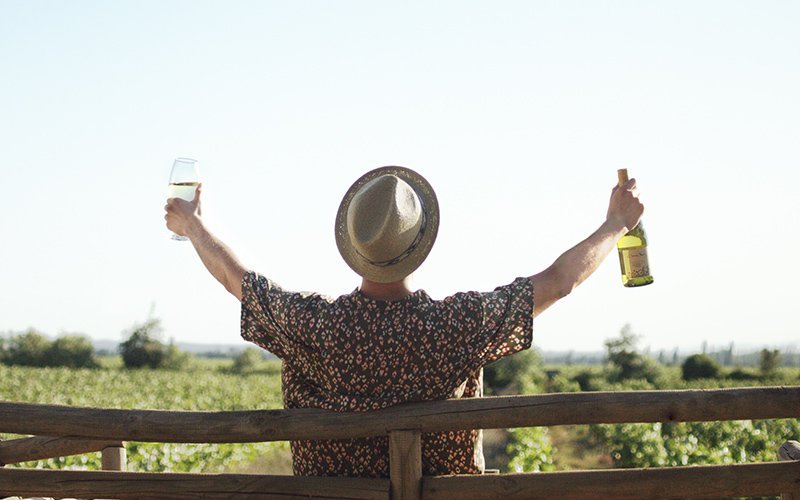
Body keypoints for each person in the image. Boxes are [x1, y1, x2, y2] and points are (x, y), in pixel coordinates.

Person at [164, 166, 644, 477]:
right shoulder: (457, 325)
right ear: (419, 247)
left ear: (355, 250)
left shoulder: (313, 326)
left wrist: (193, 225)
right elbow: (559, 281)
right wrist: (616, 225)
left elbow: (237, 280)